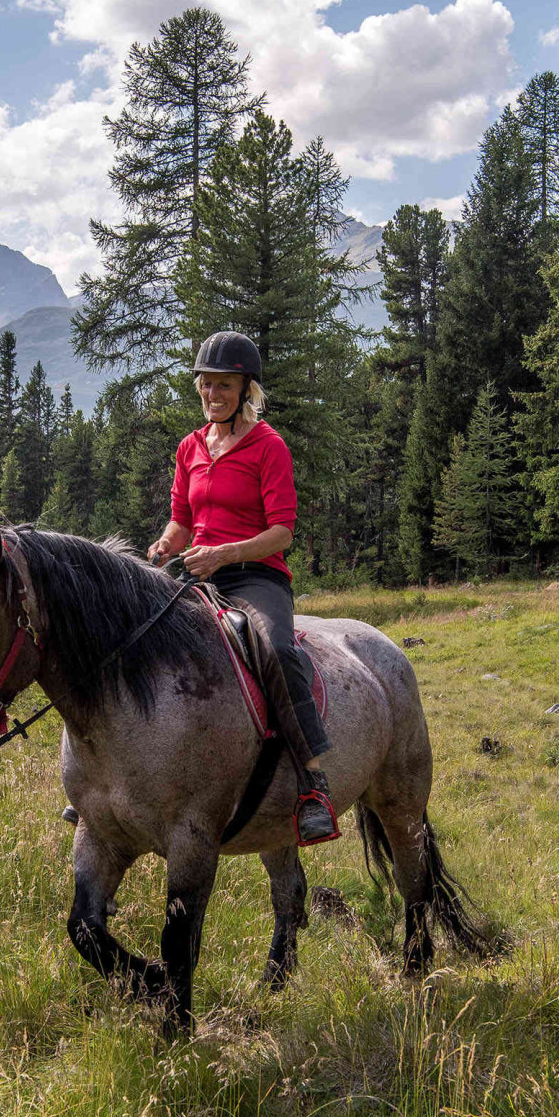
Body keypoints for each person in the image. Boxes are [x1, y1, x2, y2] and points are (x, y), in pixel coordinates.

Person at [148, 331, 339, 846]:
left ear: (246, 389)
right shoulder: (189, 447)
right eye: (206, 385)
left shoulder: (268, 446)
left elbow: (282, 532)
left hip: (256, 574)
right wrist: (164, 547)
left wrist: (225, 554)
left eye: (224, 386)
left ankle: (311, 784)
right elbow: (181, 521)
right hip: (196, 570)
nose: (213, 394)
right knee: (135, 632)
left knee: (276, 650)